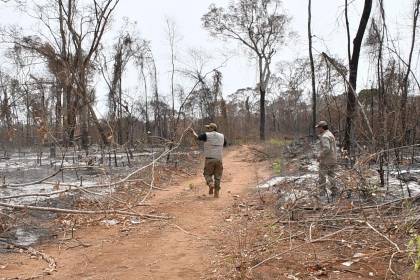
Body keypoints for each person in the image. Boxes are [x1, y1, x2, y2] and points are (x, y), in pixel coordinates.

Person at [190, 123, 227, 198]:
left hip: (209, 159)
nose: (207, 129)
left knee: (206, 174)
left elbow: (196, 137)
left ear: (211, 128)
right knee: (218, 177)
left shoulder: (206, 135)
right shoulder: (222, 136)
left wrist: (192, 132)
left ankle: (210, 184)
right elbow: (225, 144)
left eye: (208, 128)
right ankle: (216, 194)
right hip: (219, 159)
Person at [315, 121, 338, 199]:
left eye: (318, 127)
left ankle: (322, 194)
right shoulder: (330, 134)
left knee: (322, 177)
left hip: (326, 161)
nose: (318, 129)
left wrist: (319, 156)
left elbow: (326, 148)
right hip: (333, 159)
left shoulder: (325, 136)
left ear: (322, 127)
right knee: (332, 176)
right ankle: (334, 192)